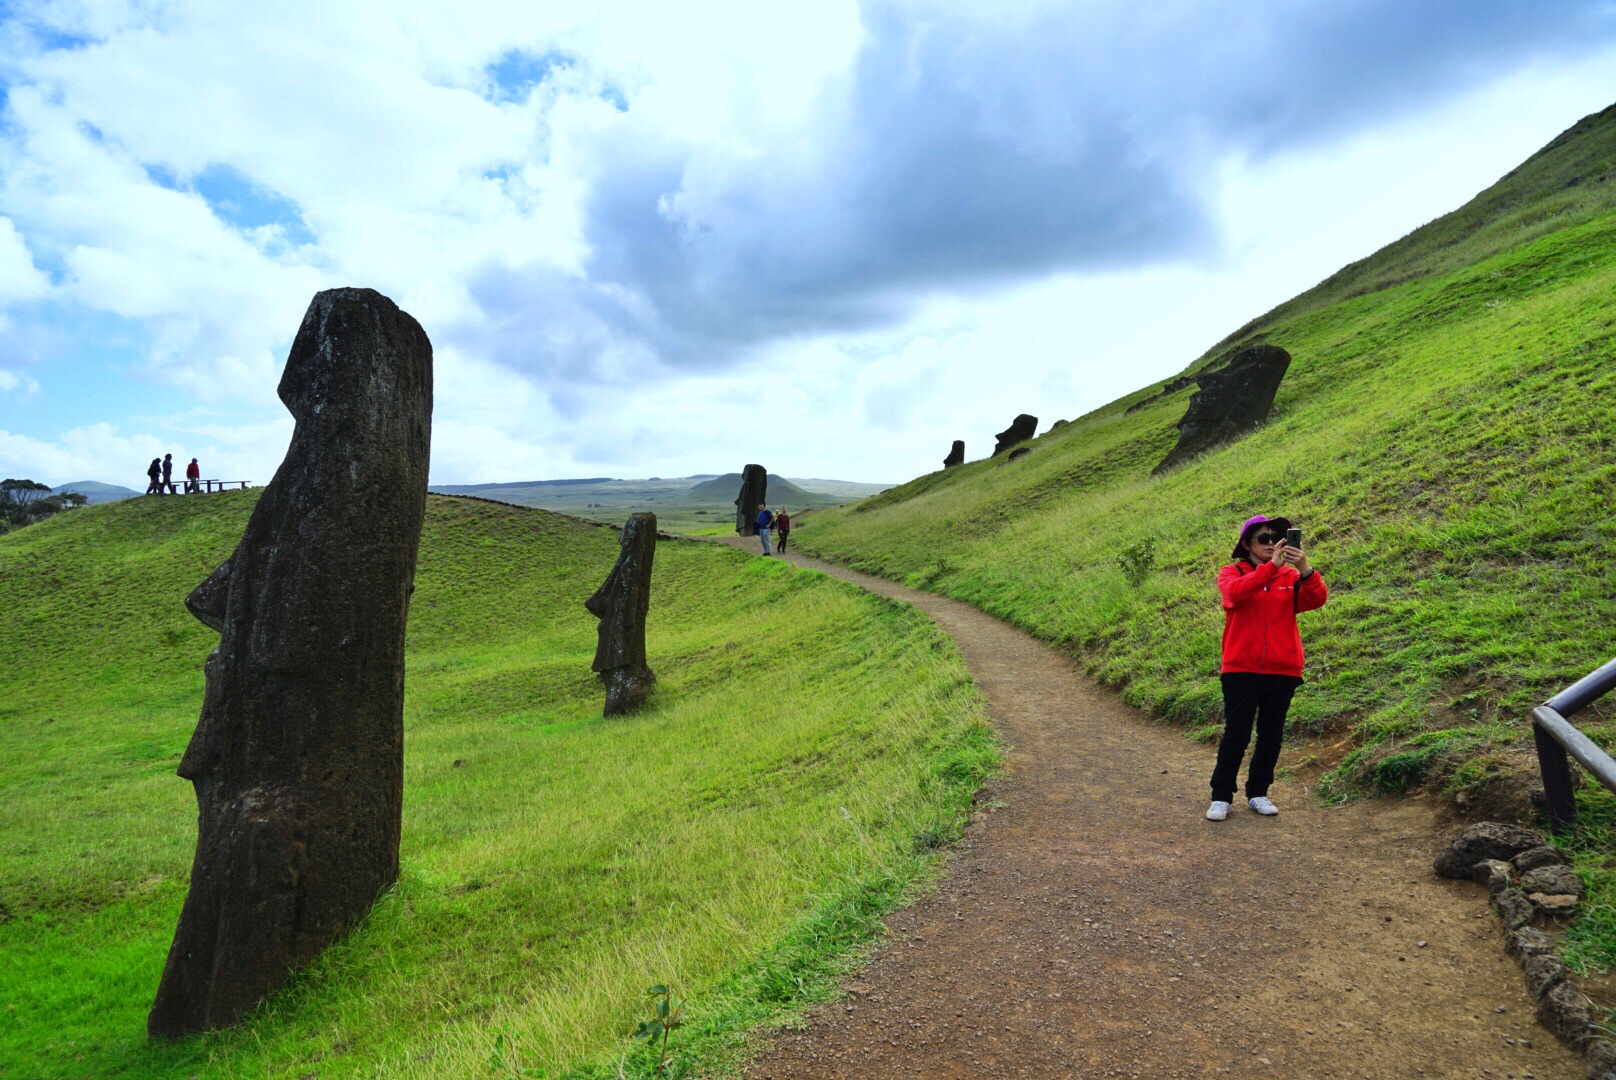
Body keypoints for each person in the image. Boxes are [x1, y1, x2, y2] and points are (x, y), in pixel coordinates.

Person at [1206, 515, 1328, 822]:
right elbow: (1234, 595)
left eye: (1277, 538)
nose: (1271, 543)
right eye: (1263, 538)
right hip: (1240, 668)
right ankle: (1221, 796)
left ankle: (1258, 793)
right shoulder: (1231, 572)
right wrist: (1271, 568)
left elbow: (1316, 599)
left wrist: (1304, 569)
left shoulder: (1290, 576)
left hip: (1283, 669)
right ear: (1247, 543)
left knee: (1271, 735)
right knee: (1237, 734)